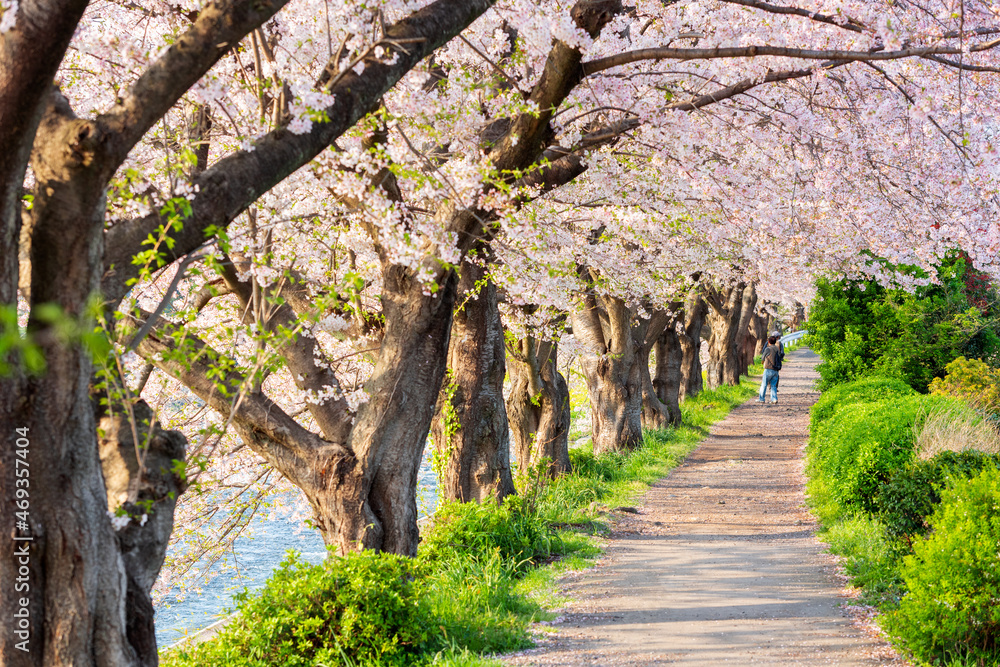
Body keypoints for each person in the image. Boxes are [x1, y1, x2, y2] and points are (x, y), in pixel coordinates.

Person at [758, 334, 784, 404]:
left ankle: (761, 399)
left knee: (764, 384)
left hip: (768, 369)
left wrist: (763, 362)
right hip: (776, 370)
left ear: (768, 342)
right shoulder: (777, 349)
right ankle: (774, 399)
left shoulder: (768, 349)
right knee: (773, 385)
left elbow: (763, 357)